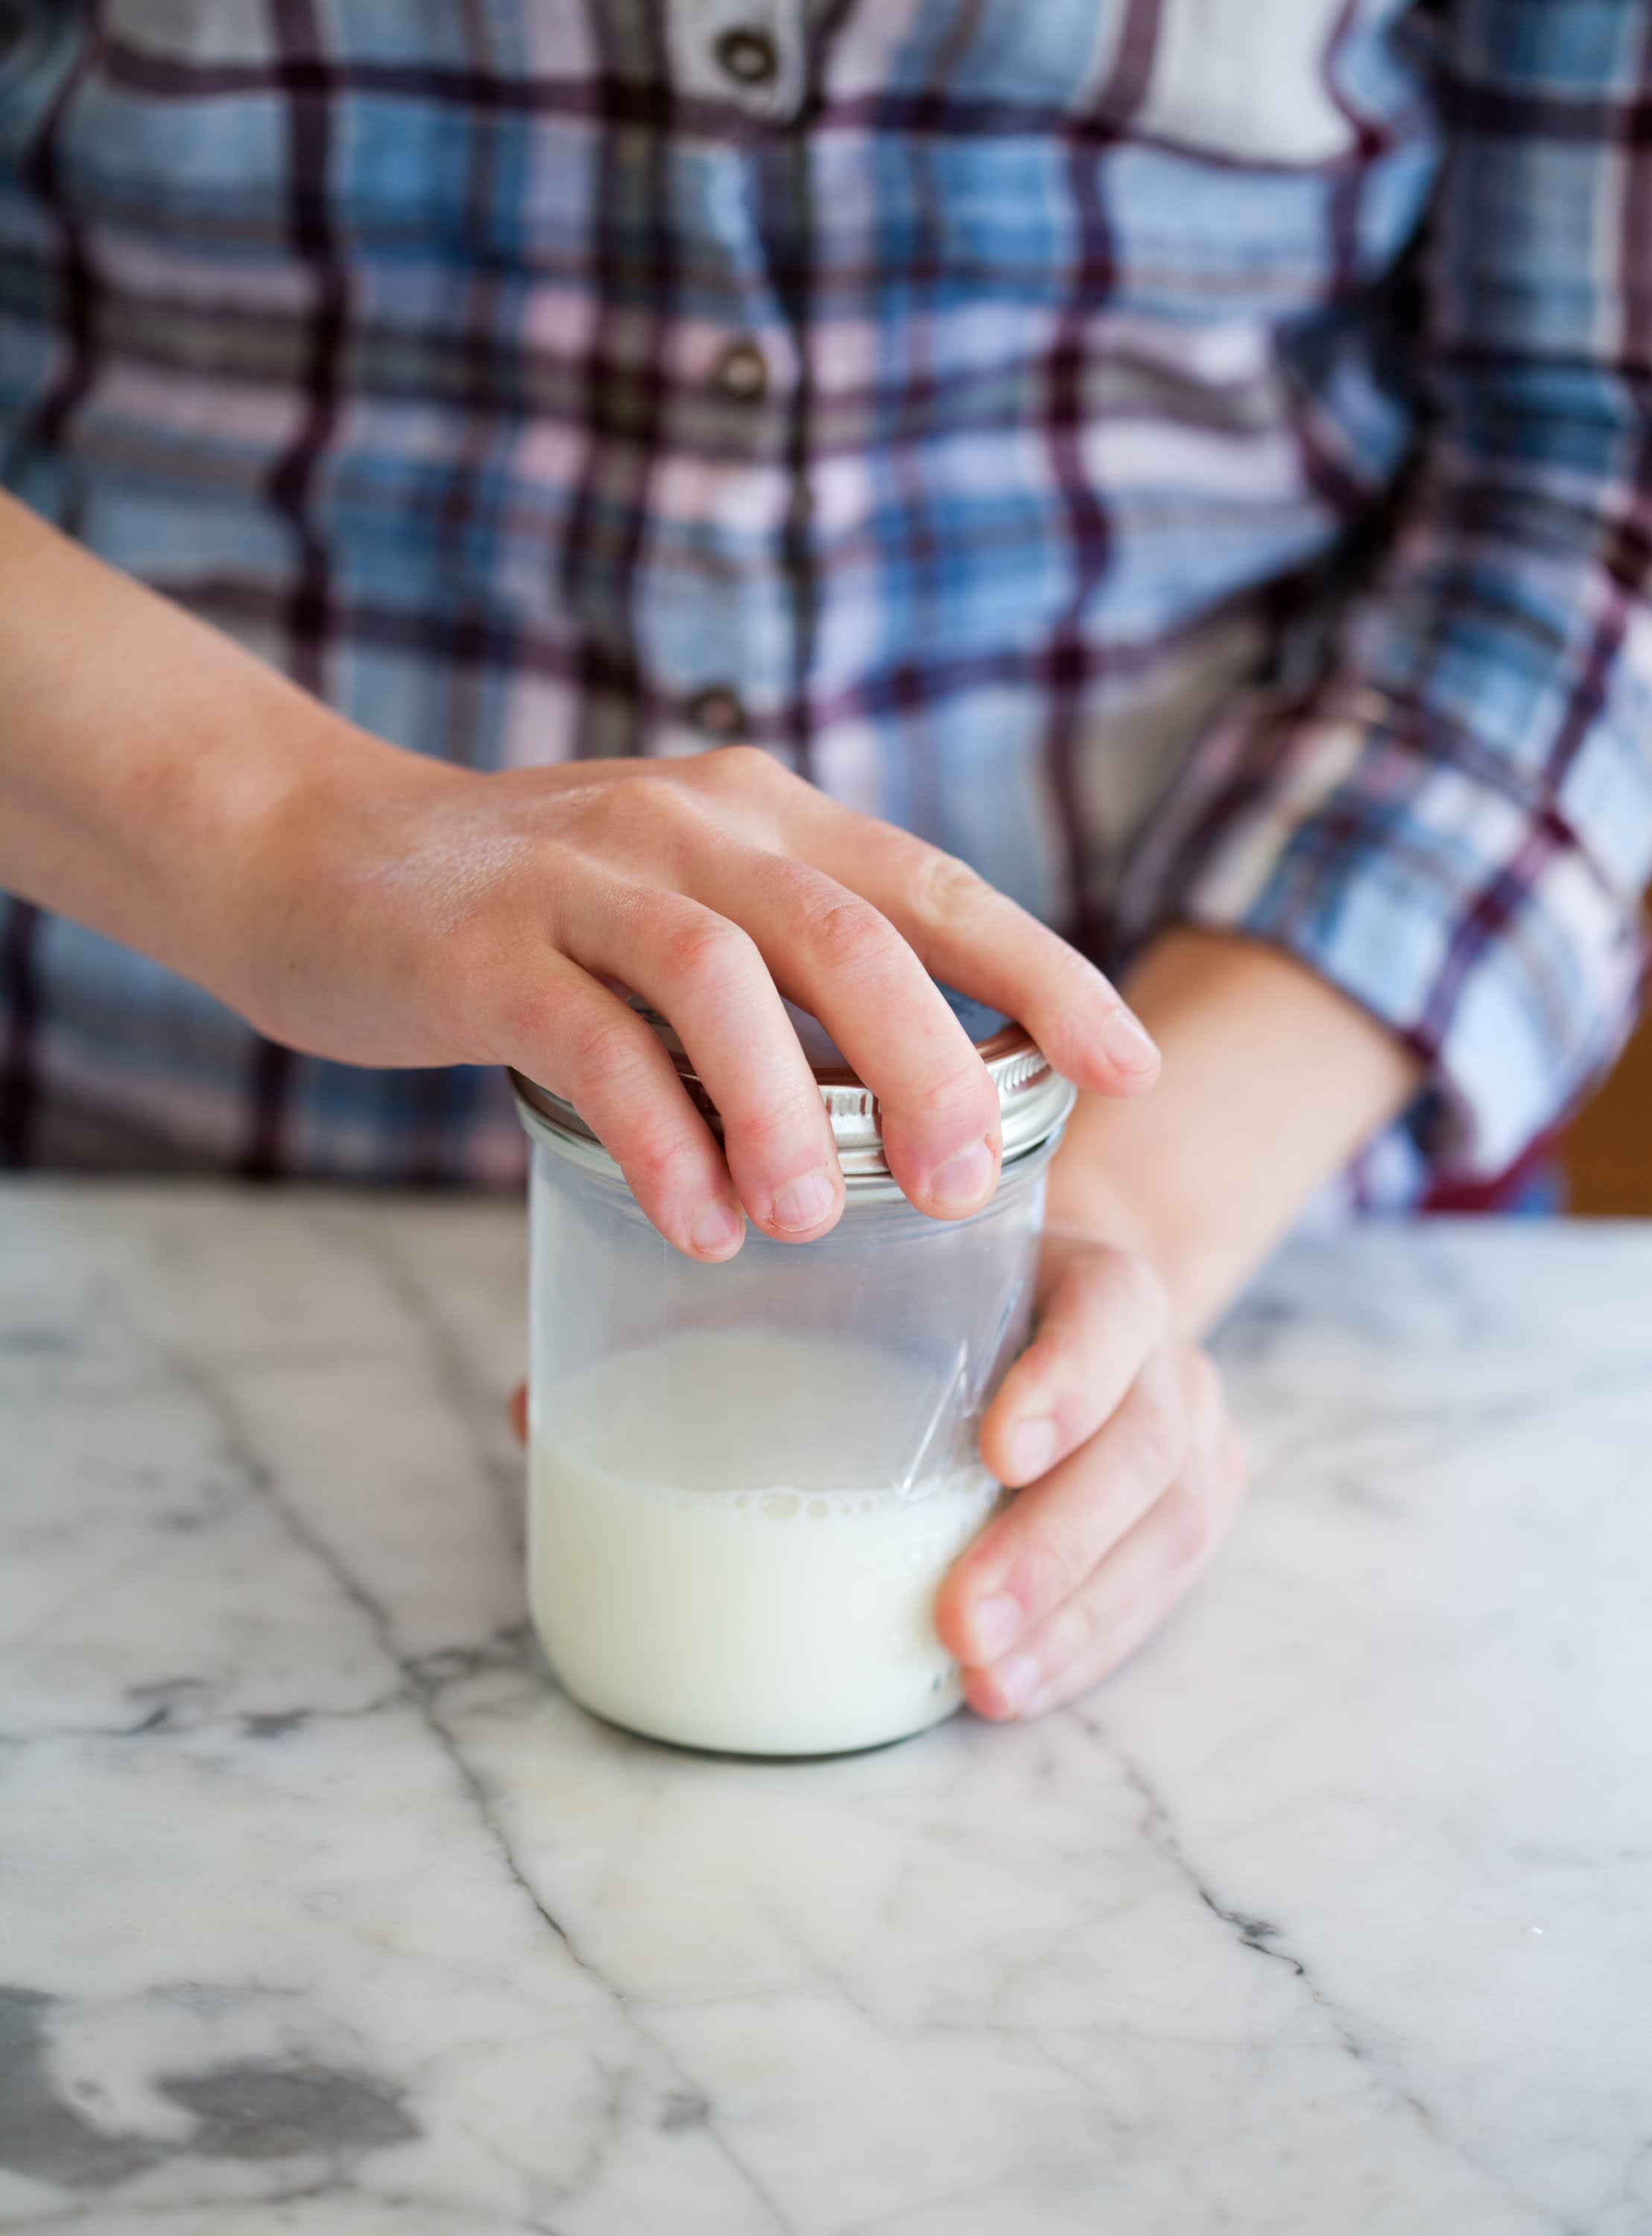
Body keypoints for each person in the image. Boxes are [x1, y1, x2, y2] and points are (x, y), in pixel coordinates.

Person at [2, 2, 1648, 1722]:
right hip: (135, 1237)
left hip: (1266, 1197)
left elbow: (1593, 469)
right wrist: (275, 826)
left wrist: (1081, 1223)